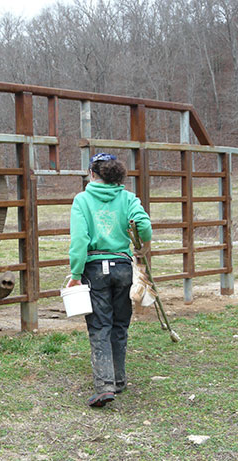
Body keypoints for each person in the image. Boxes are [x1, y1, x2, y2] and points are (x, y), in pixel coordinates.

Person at [68, 152, 152, 408]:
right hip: (123, 267)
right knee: (119, 324)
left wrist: (75, 274)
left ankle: (105, 386)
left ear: (92, 174)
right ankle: (118, 379)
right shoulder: (128, 198)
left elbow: (80, 240)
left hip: (95, 269)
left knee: (100, 326)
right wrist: (142, 247)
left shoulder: (82, 200)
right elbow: (144, 224)